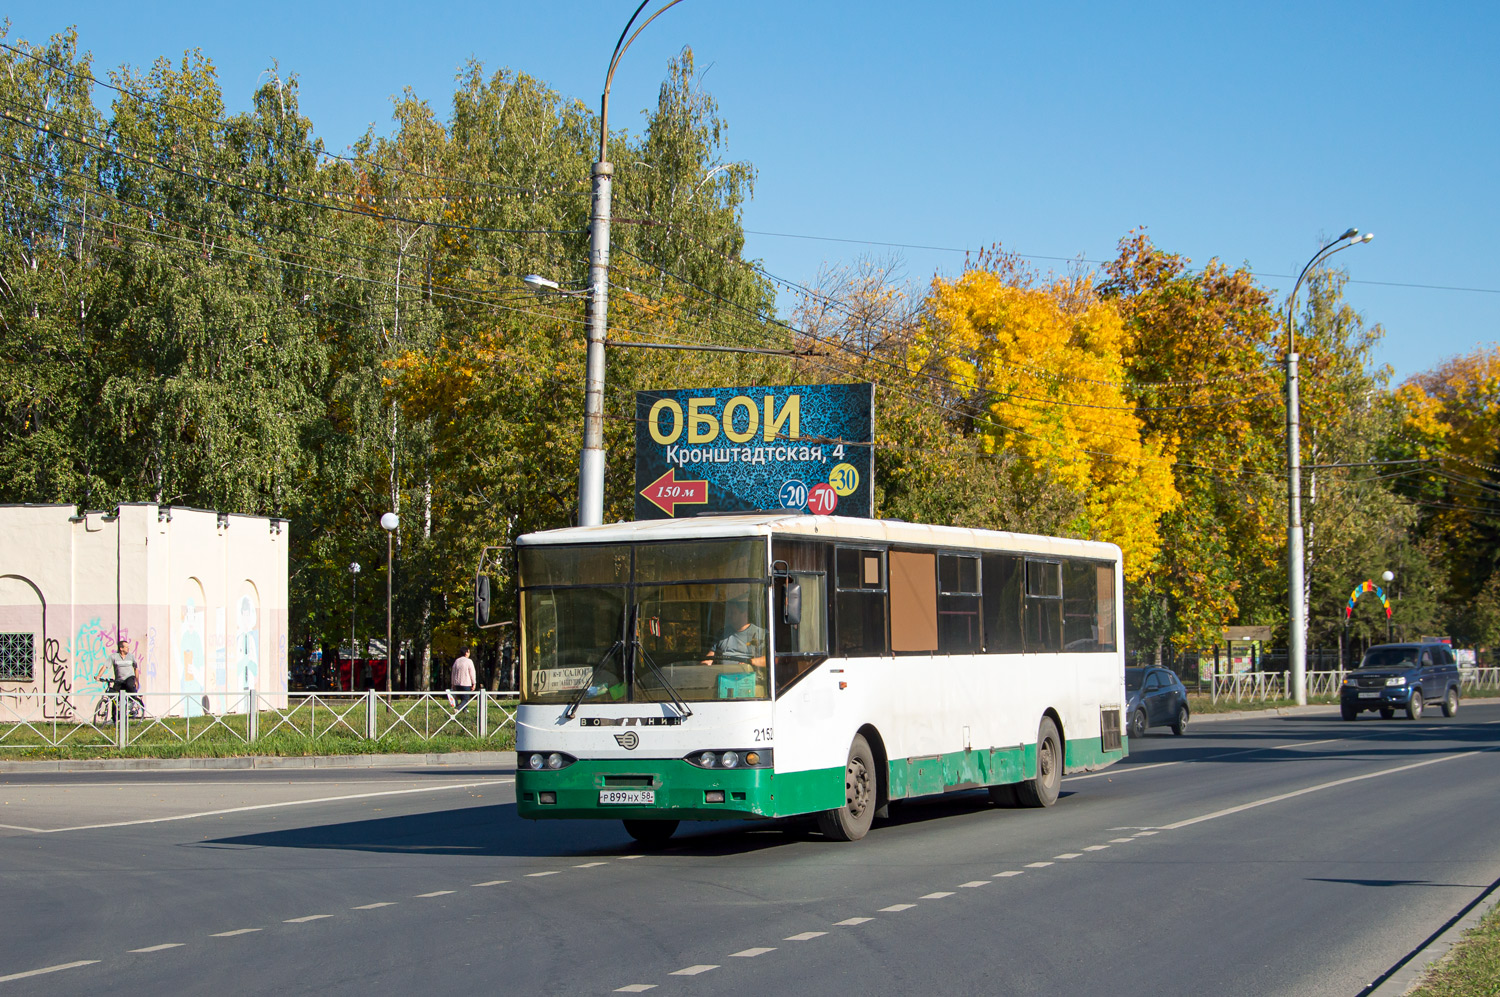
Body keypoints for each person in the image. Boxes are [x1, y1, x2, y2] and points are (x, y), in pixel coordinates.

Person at [702, 601, 766, 669]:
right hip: (723, 675)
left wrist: (749, 662)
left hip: (748, 676)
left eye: (733, 613)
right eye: (728, 613)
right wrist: (705, 664)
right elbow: (711, 654)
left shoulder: (760, 634)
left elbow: (770, 659)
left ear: (745, 614)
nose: (729, 616)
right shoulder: (722, 633)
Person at [106, 638, 146, 716]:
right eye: (126, 647)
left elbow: (136, 668)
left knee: (129, 684)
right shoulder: (114, 656)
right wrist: (98, 676)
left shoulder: (131, 657)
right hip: (120, 680)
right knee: (115, 697)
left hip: (129, 677)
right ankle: (114, 718)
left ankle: (132, 701)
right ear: (121, 648)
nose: (128, 648)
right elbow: (105, 666)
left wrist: (137, 681)